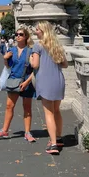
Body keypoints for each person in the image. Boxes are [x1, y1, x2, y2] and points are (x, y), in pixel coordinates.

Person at [0, 27, 37, 143]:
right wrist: (5, 59)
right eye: (16, 34)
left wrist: (27, 82)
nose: (18, 36)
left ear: (26, 37)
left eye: (21, 34)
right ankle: (5, 130)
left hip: (26, 81)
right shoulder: (12, 50)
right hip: (13, 80)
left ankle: (27, 132)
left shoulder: (31, 50)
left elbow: (35, 69)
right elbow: (8, 67)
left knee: (27, 107)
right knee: (9, 106)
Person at [31, 21, 68, 155]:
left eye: (37, 30)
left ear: (43, 31)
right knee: (57, 110)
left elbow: (35, 65)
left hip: (45, 80)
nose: (35, 32)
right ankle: (58, 138)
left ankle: (53, 144)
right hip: (58, 80)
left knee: (49, 113)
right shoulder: (56, 45)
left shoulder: (38, 45)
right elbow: (65, 65)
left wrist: (31, 59)